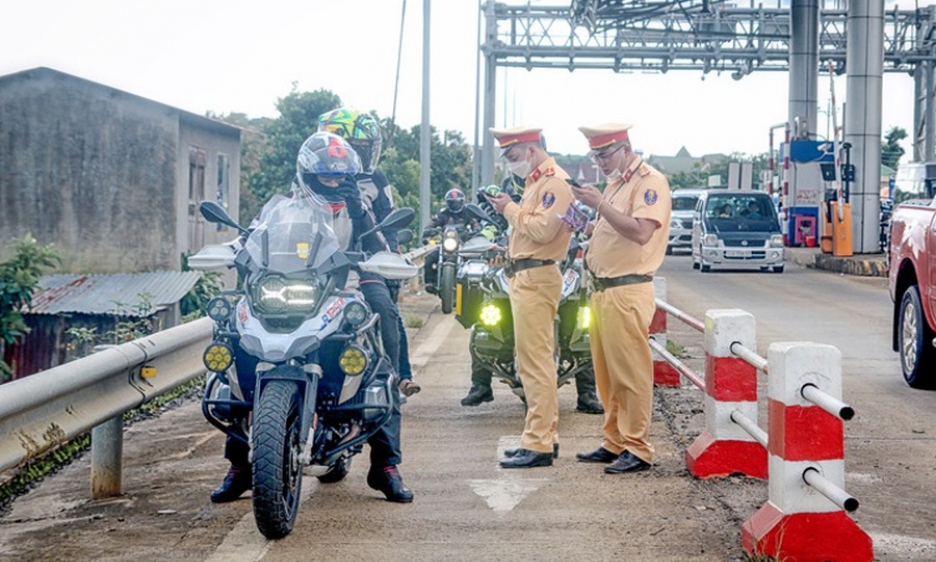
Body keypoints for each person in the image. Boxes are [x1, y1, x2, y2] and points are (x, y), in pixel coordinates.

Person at [210, 132, 414, 504]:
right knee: (237, 342)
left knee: (379, 338)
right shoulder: (284, 207)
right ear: (309, 174)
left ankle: (386, 465)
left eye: (341, 176)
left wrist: (358, 212)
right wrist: (228, 250)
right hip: (290, 286)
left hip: (347, 283)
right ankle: (239, 466)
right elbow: (251, 238)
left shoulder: (358, 205)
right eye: (327, 176)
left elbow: (380, 248)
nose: (335, 182)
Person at [570, 123, 671, 474]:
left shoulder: (649, 182)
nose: (598, 162)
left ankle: (638, 448)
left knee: (631, 374)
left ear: (625, 149)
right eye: (594, 155)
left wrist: (600, 205)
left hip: (627, 290)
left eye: (604, 154)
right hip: (602, 291)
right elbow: (611, 230)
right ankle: (614, 441)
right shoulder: (616, 185)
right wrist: (585, 222)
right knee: (607, 375)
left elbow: (641, 233)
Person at [461, 172, 604, 415]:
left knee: (582, 320)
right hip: (510, 272)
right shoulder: (501, 209)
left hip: (556, 270)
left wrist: (588, 236)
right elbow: (487, 231)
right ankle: (481, 383)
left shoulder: (555, 199)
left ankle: (587, 392)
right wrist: (488, 247)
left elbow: (581, 225)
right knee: (486, 315)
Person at [485, 126, 574, 469]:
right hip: (527, 274)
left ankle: (537, 444)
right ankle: (542, 437)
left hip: (537, 277)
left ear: (532, 149)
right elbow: (530, 230)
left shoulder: (554, 183)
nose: (510, 165)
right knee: (531, 362)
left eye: (512, 156)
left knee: (536, 364)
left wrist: (508, 208)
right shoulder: (536, 184)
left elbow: (541, 230)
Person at [318, 107, 420, 399]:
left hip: (363, 261)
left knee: (384, 307)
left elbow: (387, 220)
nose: (363, 154)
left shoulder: (375, 178)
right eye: (358, 147)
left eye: (364, 148)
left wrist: (391, 255)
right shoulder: (309, 175)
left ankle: (396, 377)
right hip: (316, 263)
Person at [421, 188, 480, 293]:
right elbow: (433, 223)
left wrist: (476, 231)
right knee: (429, 258)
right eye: (452, 203)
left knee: (475, 261)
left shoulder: (467, 213)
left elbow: (475, 223)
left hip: (463, 244)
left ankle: (473, 285)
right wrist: (428, 231)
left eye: (457, 202)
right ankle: (430, 282)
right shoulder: (443, 214)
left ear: (462, 202)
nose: (455, 205)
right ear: (448, 203)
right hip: (446, 243)